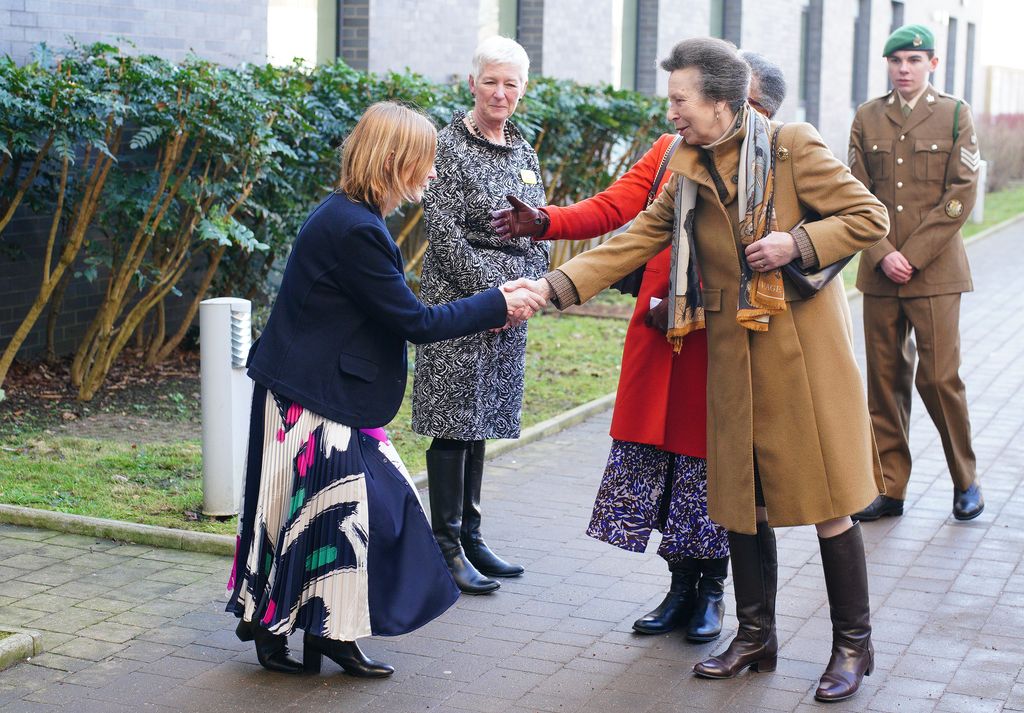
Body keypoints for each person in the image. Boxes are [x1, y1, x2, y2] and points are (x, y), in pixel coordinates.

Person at [519, 38, 889, 702]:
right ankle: (754, 635)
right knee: (743, 505)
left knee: (830, 503)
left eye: (680, 101)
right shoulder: (686, 163)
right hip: (731, 359)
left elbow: (869, 215)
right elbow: (635, 237)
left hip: (801, 360)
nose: (672, 115)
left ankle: (853, 647)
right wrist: (552, 289)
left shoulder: (791, 146)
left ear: (721, 102)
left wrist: (799, 241)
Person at [225, 102, 546, 678]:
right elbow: (413, 321)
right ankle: (286, 631)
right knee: (320, 516)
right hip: (306, 400)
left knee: (327, 518)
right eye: (425, 163)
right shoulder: (354, 229)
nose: (432, 173)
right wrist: (499, 303)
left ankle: (326, 633)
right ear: (395, 162)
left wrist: (496, 299)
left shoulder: (350, 216)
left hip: (319, 393)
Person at [488, 53, 788, 643]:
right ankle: (678, 588)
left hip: (725, 338)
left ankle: (712, 593)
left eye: (747, 106)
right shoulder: (669, 149)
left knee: (711, 466)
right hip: (661, 332)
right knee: (662, 465)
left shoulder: (776, 158)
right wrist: (543, 222)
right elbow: (616, 209)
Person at [411, 36, 550, 595]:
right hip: (461, 306)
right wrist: (495, 295)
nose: (500, 92)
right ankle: (444, 548)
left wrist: (529, 287)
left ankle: (470, 534)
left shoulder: (522, 150)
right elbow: (442, 235)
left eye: (510, 84)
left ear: (522, 90)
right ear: (472, 84)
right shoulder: (445, 146)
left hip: (509, 307)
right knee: (452, 421)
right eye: (490, 81)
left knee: (484, 419)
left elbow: (541, 227)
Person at [848, 24, 983, 522]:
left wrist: (914, 255)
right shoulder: (867, 116)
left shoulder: (953, 115)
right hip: (881, 273)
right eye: (896, 61)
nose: (904, 69)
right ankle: (889, 487)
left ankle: (965, 480)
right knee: (883, 382)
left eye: (913, 60)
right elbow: (854, 194)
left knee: (940, 378)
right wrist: (883, 252)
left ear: (932, 64)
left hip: (936, 273)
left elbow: (960, 193)